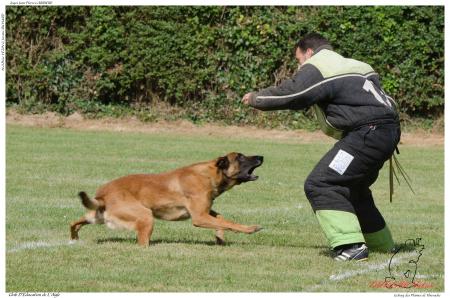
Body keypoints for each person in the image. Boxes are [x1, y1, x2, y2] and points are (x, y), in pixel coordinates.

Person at [242, 32, 400, 261]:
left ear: (308, 52)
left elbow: (295, 93)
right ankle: (383, 245)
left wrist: (257, 99)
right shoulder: (357, 65)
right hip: (386, 131)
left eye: (299, 60)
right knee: (352, 188)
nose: (300, 66)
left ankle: (351, 247)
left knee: (322, 183)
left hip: (367, 133)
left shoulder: (320, 64)